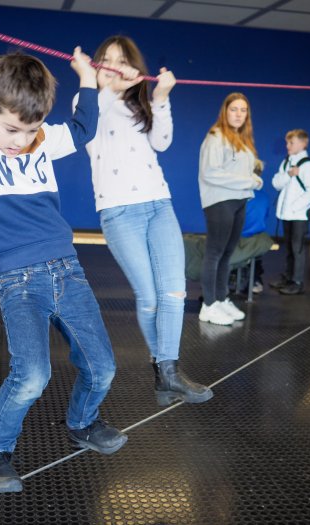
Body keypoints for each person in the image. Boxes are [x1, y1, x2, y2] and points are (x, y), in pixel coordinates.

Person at [0, 19, 127, 494]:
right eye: (11, 128)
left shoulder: (40, 140)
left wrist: (87, 77)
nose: (20, 140)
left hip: (67, 270)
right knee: (32, 375)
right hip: (19, 279)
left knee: (103, 367)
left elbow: (83, 127)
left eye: (30, 130)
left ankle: (82, 423)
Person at [80, 35, 212, 407]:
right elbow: (88, 122)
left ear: (136, 69)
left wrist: (161, 97)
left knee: (174, 293)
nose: (113, 66)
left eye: (122, 61)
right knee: (150, 296)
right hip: (119, 211)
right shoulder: (88, 100)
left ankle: (167, 373)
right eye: (107, 60)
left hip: (159, 204)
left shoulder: (139, 107)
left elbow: (163, 141)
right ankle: (163, 372)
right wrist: (104, 84)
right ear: (97, 66)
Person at [198, 93, 263, 325]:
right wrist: (249, 181)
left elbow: (242, 170)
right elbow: (210, 172)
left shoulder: (242, 139)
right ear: (225, 111)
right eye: (234, 109)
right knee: (214, 253)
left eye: (243, 110)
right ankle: (208, 305)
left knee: (227, 254)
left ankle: (220, 299)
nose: (238, 114)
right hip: (220, 201)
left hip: (239, 201)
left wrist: (254, 175)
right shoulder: (216, 137)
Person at [270, 129, 310, 295]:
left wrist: (294, 207)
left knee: (297, 249)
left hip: (298, 216)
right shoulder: (286, 162)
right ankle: (288, 278)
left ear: (303, 144)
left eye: (291, 143)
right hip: (287, 214)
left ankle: (297, 282)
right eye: (287, 142)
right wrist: (289, 174)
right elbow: (276, 183)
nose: (287, 146)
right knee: (289, 247)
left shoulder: (307, 165)